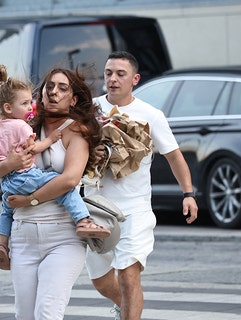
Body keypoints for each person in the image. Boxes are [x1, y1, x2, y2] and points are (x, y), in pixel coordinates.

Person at [85, 51, 199, 320]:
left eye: (120, 74)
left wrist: (188, 193)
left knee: (127, 274)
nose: (113, 79)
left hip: (134, 210)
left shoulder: (151, 115)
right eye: (109, 73)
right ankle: (124, 308)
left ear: (134, 79)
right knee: (101, 281)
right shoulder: (89, 109)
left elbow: (174, 155)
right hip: (95, 207)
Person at [0, 67, 102, 319]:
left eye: (62, 88)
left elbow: (70, 179)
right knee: (24, 314)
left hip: (63, 236)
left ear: (73, 99)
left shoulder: (75, 130)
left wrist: (29, 200)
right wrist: (10, 163)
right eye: (49, 86)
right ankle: (1, 243)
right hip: (23, 235)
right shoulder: (22, 127)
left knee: (47, 312)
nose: (53, 92)